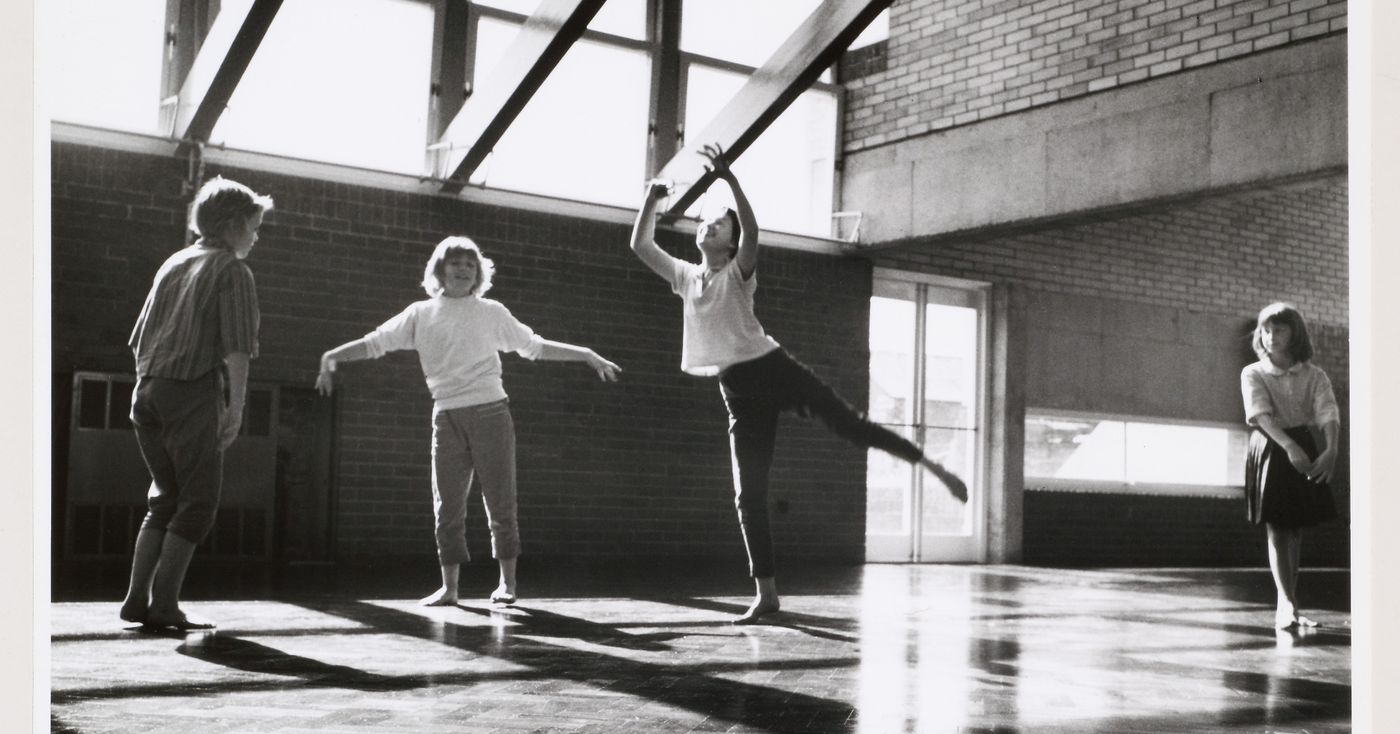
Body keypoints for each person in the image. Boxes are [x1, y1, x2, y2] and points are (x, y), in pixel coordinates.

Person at [631, 143, 967, 623]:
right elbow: (641, 246)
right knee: (748, 493)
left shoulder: (739, 272)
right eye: (706, 223)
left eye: (720, 224)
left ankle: (932, 467)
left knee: (851, 426)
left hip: (774, 371)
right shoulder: (686, 277)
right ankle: (767, 595)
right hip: (736, 391)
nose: (708, 226)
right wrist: (651, 199)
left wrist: (730, 180)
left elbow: (754, 229)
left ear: (730, 242)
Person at [316, 235, 620, 607]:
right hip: (445, 415)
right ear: (439, 270)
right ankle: (450, 588)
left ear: (477, 272)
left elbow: (534, 347)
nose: (462, 269)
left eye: (469, 264)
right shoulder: (420, 313)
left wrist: (586, 354)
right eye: (454, 263)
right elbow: (376, 341)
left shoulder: (491, 311)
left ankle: (507, 583)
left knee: (500, 501)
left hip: (491, 411)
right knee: (447, 505)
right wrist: (333, 355)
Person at [119, 174, 271, 634]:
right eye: (252, 225)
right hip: (189, 390)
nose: (255, 236)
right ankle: (165, 605)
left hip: (147, 389)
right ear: (230, 226)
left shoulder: (175, 262)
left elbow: (138, 337)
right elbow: (238, 346)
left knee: (165, 498)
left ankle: (135, 598)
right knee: (199, 502)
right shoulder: (232, 270)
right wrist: (235, 406)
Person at [1240, 301, 1340, 631]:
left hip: (1302, 443)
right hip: (1271, 445)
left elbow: (1328, 413)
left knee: (1294, 529)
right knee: (1278, 528)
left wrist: (1332, 450)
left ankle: (1292, 604)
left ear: (1294, 332)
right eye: (1266, 330)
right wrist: (1289, 446)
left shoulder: (1314, 375)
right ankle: (1285, 604)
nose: (1271, 336)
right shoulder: (1253, 373)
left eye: (1279, 329)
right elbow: (1261, 417)